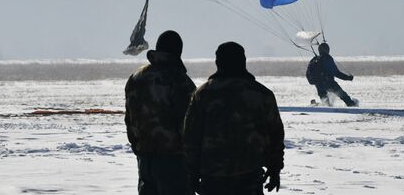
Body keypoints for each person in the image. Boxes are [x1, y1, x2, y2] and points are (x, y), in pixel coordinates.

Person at [183, 42, 285, 195]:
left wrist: (192, 174)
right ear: (243, 62)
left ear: (218, 63)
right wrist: (275, 169)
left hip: (213, 178)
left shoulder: (202, 94)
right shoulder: (262, 94)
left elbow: (191, 138)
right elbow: (275, 135)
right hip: (250, 177)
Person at [125, 30, 196, 195]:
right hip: (173, 162)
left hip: (144, 159)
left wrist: (139, 148)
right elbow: (189, 126)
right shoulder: (179, 80)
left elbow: (129, 119)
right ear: (178, 51)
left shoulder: (136, 77)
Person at [308, 42, 357, 107]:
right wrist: (348, 78)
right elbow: (336, 73)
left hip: (318, 84)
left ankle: (316, 105)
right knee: (344, 96)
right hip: (329, 83)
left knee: (326, 103)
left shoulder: (314, 59)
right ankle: (352, 105)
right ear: (327, 50)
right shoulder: (327, 58)